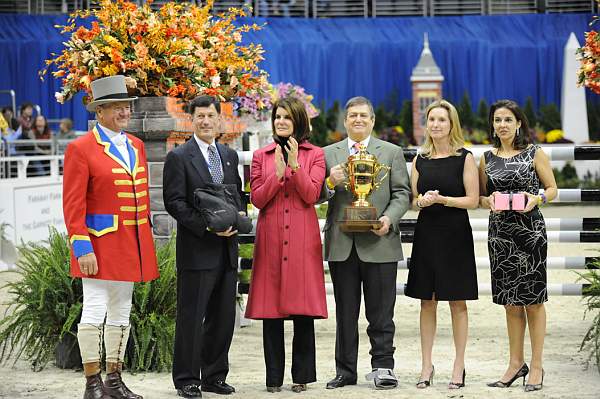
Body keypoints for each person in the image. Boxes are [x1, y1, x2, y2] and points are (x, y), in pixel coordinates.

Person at [62, 75, 159, 399]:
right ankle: (92, 384)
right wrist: (81, 247)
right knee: (94, 309)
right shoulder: (81, 148)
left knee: (122, 310)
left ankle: (114, 381)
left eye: (127, 106)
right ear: (99, 111)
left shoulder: (136, 145)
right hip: (99, 244)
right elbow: (73, 204)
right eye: (117, 107)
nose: (124, 112)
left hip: (130, 243)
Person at [321, 96, 410, 390]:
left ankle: (383, 367)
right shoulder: (327, 154)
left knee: (382, 313)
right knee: (346, 313)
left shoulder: (392, 152)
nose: (358, 120)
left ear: (372, 121)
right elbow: (316, 195)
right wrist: (329, 183)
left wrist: (388, 219)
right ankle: (345, 371)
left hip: (380, 240)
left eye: (363, 115)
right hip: (341, 243)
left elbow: (402, 194)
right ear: (345, 121)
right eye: (352, 116)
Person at [163, 95, 245, 398]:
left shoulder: (228, 155)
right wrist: (208, 225)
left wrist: (238, 220)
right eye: (200, 116)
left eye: (211, 116)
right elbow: (174, 203)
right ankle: (187, 378)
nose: (206, 121)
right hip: (197, 250)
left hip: (227, 250)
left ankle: (214, 375)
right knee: (191, 317)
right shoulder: (179, 157)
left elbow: (237, 196)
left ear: (220, 120)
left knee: (222, 318)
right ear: (191, 120)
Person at [245, 98, 328, 393]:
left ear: (299, 122)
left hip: (303, 239)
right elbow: (257, 199)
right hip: (270, 237)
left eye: (287, 117)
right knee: (271, 311)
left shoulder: (315, 155)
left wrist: (295, 167)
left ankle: (302, 377)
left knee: (302, 310)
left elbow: (310, 195)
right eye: (278, 117)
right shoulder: (260, 155)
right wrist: (277, 175)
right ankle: (273, 379)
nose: (281, 121)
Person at [479, 99, 557, 392]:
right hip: (500, 234)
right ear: (493, 125)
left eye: (508, 120)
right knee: (510, 303)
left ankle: (536, 366)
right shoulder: (486, 158)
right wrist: (488, 202)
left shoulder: (535, 153)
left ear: (519, 123)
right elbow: (481, 197)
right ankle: (515, 363)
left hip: (531, 233)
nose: (502, 125)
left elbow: (553, 189)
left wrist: (538, 198)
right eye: (497, 120)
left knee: (534, 302)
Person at [404, 100, 479, 390]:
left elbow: (473, 200)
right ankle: (426, 365)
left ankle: (458, 365)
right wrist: (420, 201)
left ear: (452, 125)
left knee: (457, 301)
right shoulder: (419, 159)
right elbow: (413, 200)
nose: (435, 124)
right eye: (431, 119)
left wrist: (443, 200)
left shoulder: (465, 158)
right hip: (427, 234)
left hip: (455, 234)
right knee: (427, 301)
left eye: (441, 120)